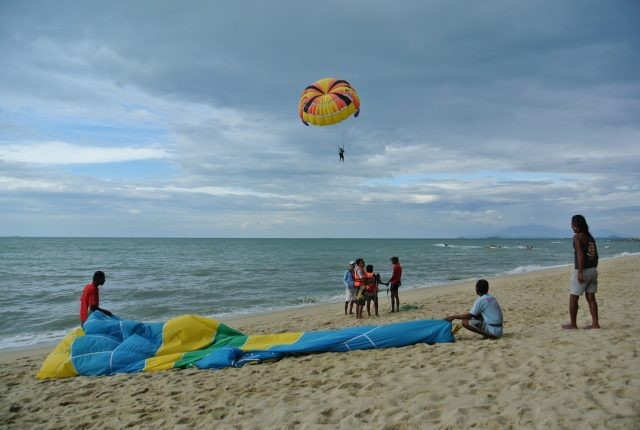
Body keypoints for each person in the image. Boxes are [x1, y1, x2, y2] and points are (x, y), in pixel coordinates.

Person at [563, 214, 600, 329]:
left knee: (574, 297)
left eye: (571, 224)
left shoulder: (577, 237)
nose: (571, 226)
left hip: (583, 271)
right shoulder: (590, 237)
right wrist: (594, 269)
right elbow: (596, 255)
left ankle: (573, 324)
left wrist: (580, 272)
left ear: (576, 225)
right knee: (591, 297)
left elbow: (580, 255)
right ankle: (595, 323)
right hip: (593, 270)